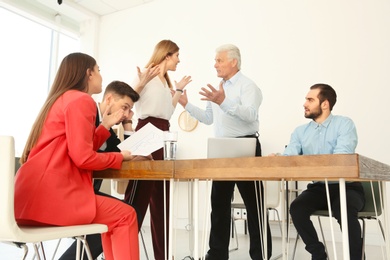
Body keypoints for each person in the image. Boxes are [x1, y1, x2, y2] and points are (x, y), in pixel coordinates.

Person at [14, 53, 139, 260]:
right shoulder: (82, 100)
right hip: (52, 199)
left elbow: (79, 146)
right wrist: (119, 158)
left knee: (115, 218)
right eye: (98, 70)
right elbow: (83, 158)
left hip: (28, 202)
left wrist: (105, 125)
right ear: (88, 73)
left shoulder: (59, 99)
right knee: (126, 215)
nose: (101, 75)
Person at [178, 44, 272, 260]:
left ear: (233, 62)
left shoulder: (249, 86)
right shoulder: (219, 87)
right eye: (215, 60)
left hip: (245, 146)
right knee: (219, 204)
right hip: (222, 148)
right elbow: (209, 118)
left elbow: (250, 115)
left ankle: (261, 256)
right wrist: (187, 106)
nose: (215, 64)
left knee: (254, 205)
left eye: (219, 60)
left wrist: (224, 101)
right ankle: (217, 254)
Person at [59, 80, 146, 260]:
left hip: (89, 190)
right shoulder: (85, 114)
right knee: (126, 214)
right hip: (71, 192)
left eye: (129, 109)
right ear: (109, 99)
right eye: (124, 107)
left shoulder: (109, 128)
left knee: (124, 213)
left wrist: (128, 123)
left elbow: (123, 151)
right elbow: (84, 155)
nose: (126, 113)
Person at [123, 39, 192, 260]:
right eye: (177, 55)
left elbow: (167, 113)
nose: (179, 60)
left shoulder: (164, 81)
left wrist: (178, 89)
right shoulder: (145, 74)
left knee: (162, 201)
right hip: (146, 132)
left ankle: (162, 256)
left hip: (163, 133)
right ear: (166, 55)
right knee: (138, 198)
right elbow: (128, 101)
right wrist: (141, 84)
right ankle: (121, 251)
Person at [282, 83, 365, 260]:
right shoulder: (300, 132)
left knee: (343, 209)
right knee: (297, 208)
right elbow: (290, 157)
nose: (305, 104)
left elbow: (341, 158)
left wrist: (307, 162)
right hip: (319, 187)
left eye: (310, 100)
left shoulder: (344, 124)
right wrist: (279, 158)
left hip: (347, 187)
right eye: (306, 99)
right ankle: (318, 254)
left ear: (325, 104)